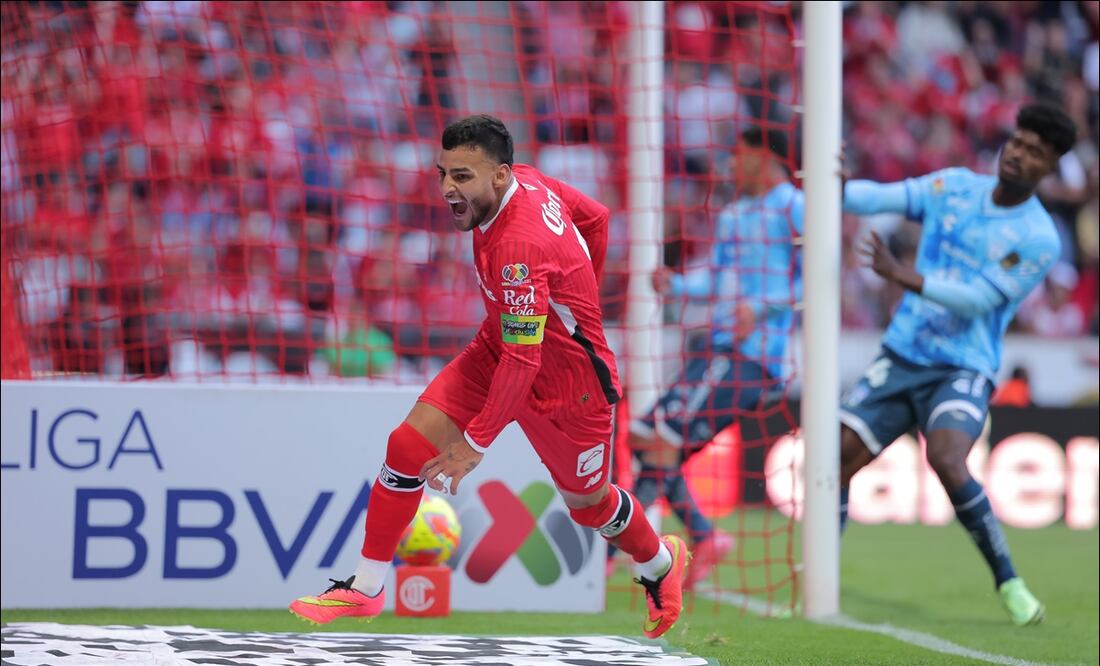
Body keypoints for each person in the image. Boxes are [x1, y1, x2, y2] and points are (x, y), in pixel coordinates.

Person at [289, 115, 690, 638]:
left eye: (462, 177)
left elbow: (525, 363)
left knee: (589, 507)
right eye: (443, 174)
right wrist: (573, 288)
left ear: (499, 176)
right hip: (500, 345)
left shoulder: (516, 250)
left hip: (572, 387)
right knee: (405, 447)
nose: (448, 189)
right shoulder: (529, 178)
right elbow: (596, 218)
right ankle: (365, 588)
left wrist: (474, 444)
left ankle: (660, 562)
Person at [839, 102, 1077, 626]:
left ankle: (1009, 581)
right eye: (1018, 141)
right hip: (902, 354)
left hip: (963, 367)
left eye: (1035, 151)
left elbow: (979, 300)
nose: (1019, 153)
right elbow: (881, 196)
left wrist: (905, 277)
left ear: (1048, 168)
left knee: (947, 458)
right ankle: (820, 576)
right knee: (833, 461)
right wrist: (831, 185)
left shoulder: (1038, 238)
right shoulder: (954, 187)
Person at [625, 126, 803, 589]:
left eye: (738, 154)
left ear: (764, 156)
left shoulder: (793, 208)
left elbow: (817, 281)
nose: (730, 164)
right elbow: (718, 279)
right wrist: (677, 285)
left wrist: (761, 309)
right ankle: (703, 537)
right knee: (645, 433)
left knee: (661, 441)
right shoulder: (733, 214)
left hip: (754, 361)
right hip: (718, 349)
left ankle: (614, 554)